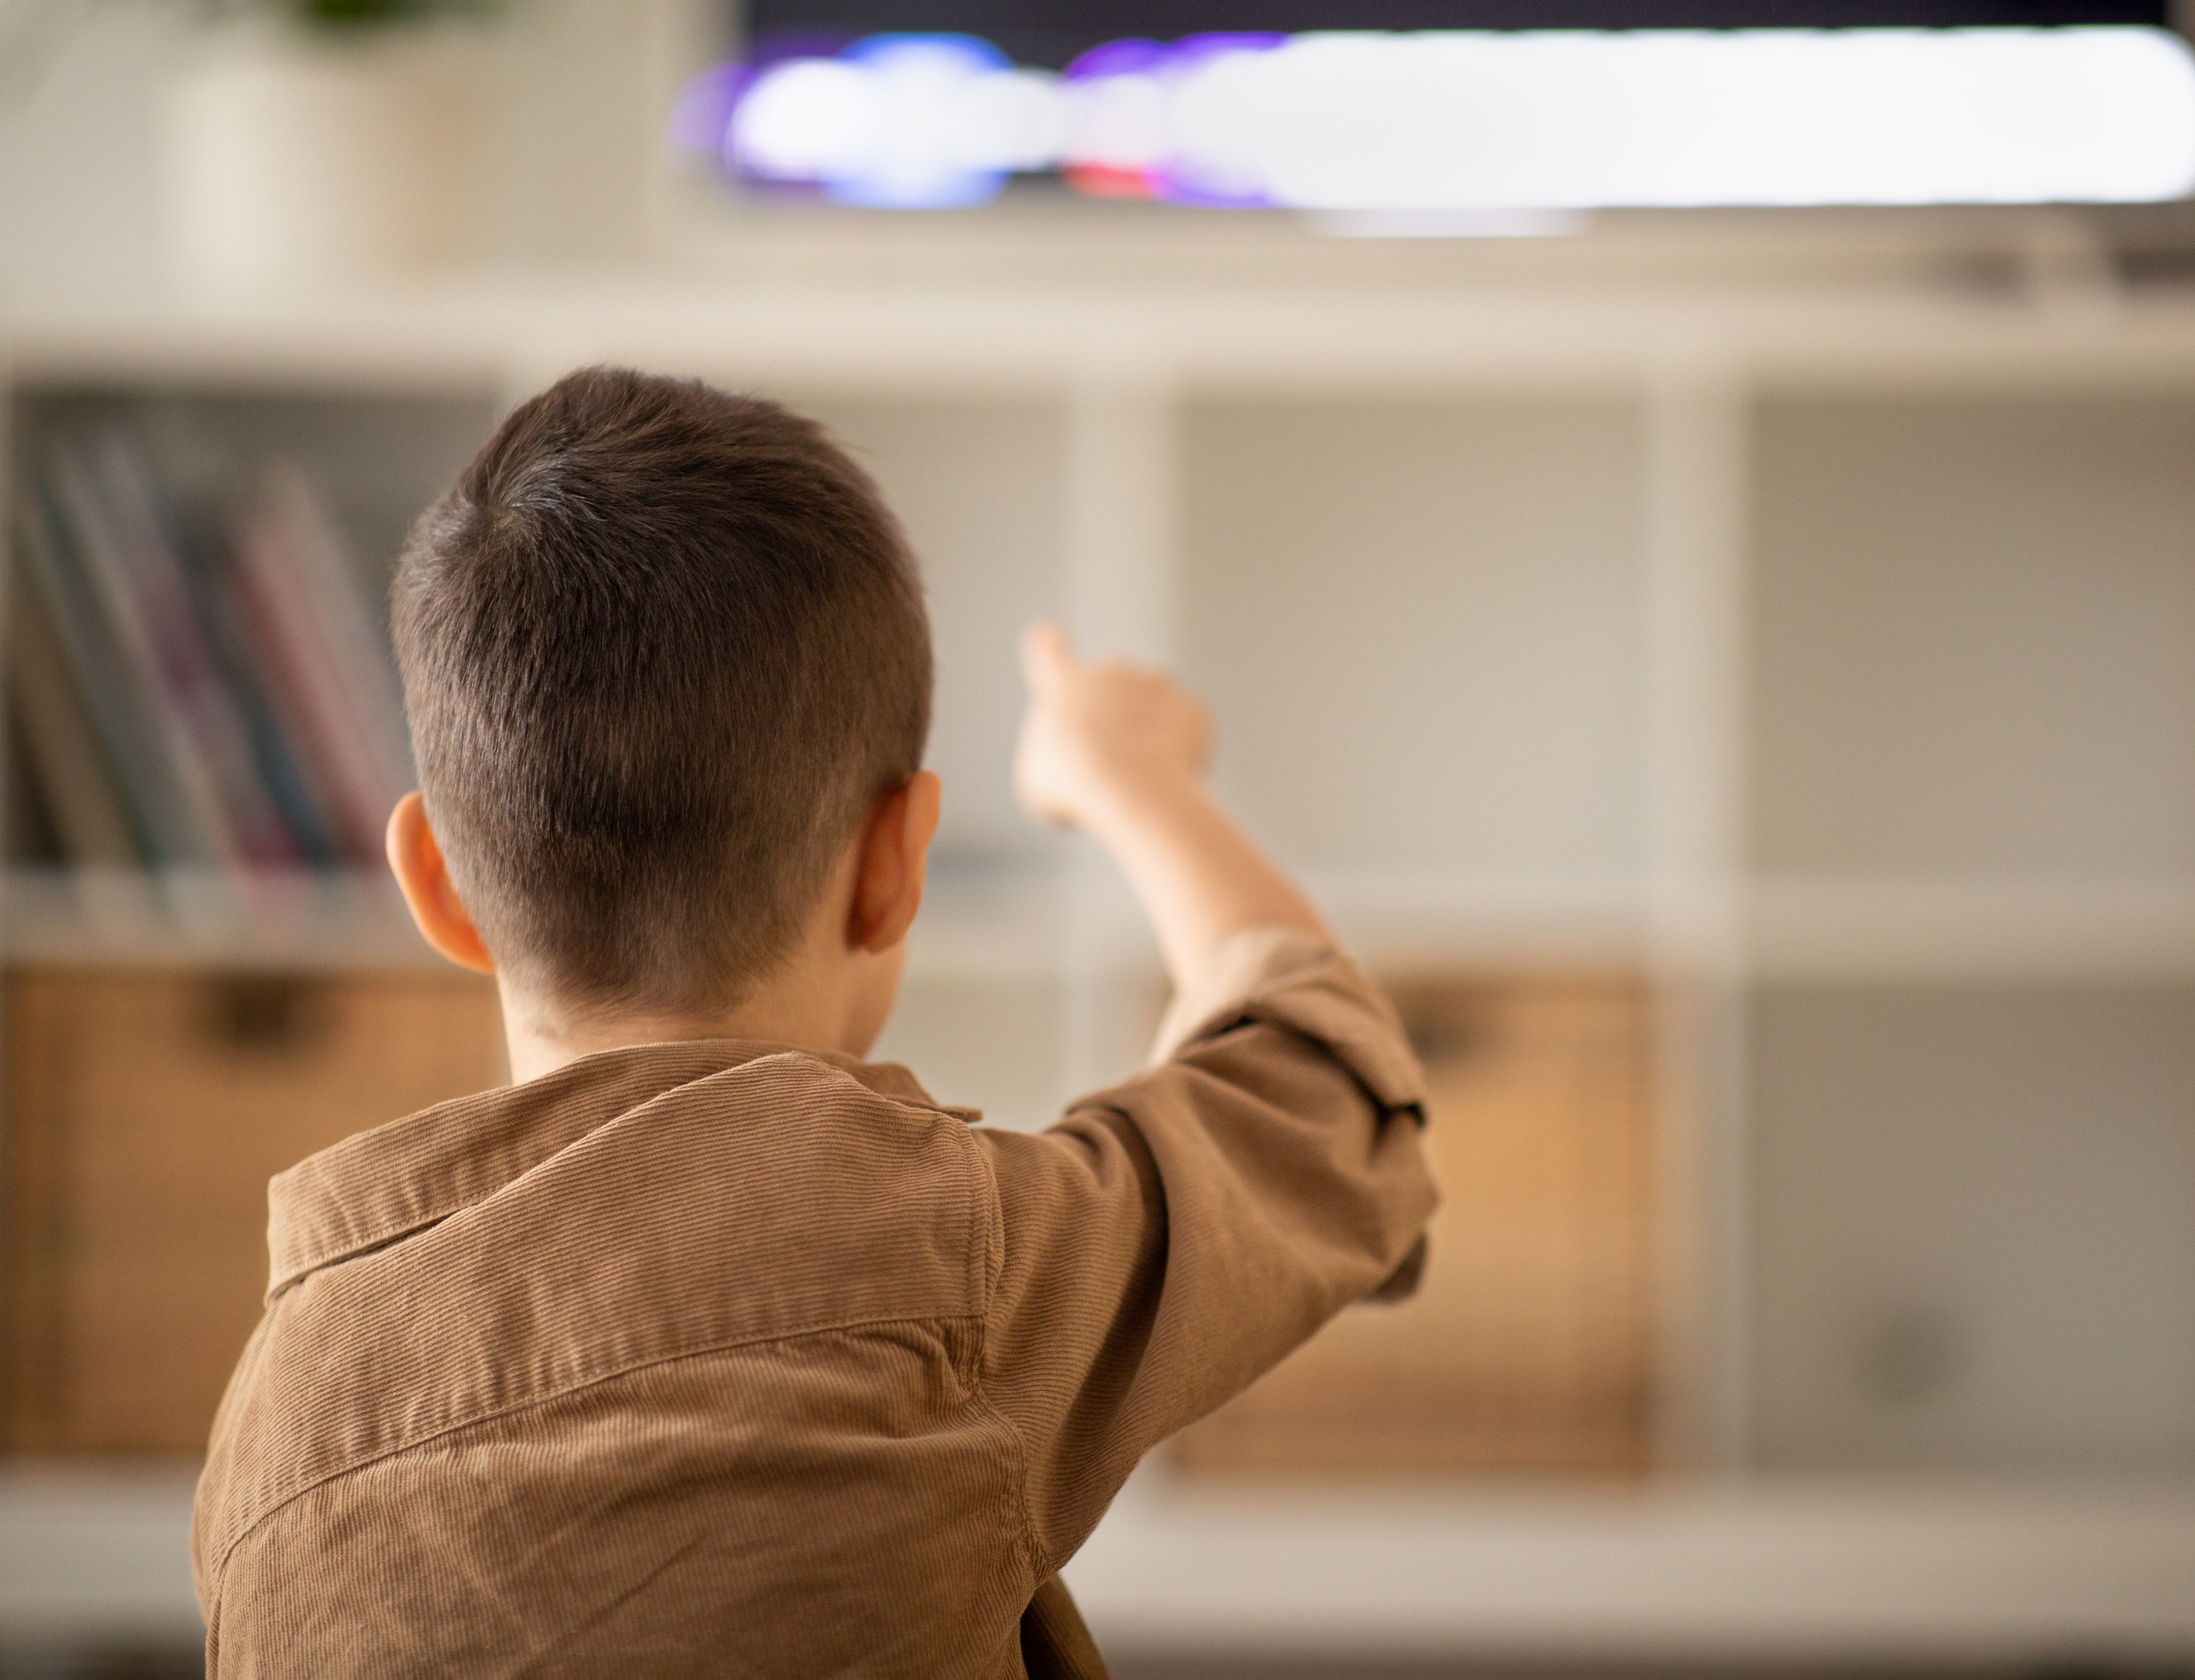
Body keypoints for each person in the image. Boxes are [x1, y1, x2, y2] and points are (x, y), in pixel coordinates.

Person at [189, 367, 1437, 1677]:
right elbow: (1326, 1087)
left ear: (437, 885)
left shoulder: (275, 1418)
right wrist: (1128, 778)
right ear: (896, 863)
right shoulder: (949, 1265)